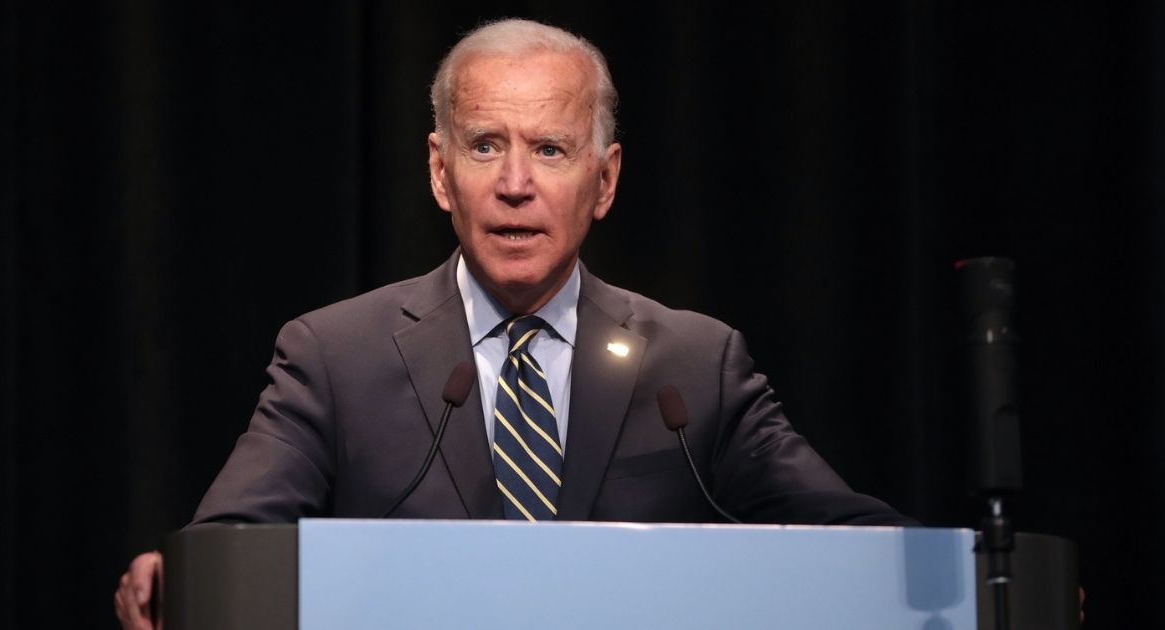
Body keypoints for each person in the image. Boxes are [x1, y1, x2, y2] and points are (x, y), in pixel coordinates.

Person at [114, 18, 913, 629]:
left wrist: (967, 573)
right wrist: (177, 574)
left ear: (604, 181)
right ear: (439, 171)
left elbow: (856, 545)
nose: (515, 183)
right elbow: (230, 542)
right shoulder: (335, 355)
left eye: (552, 150)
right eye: (486, 145)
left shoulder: (694, 365)